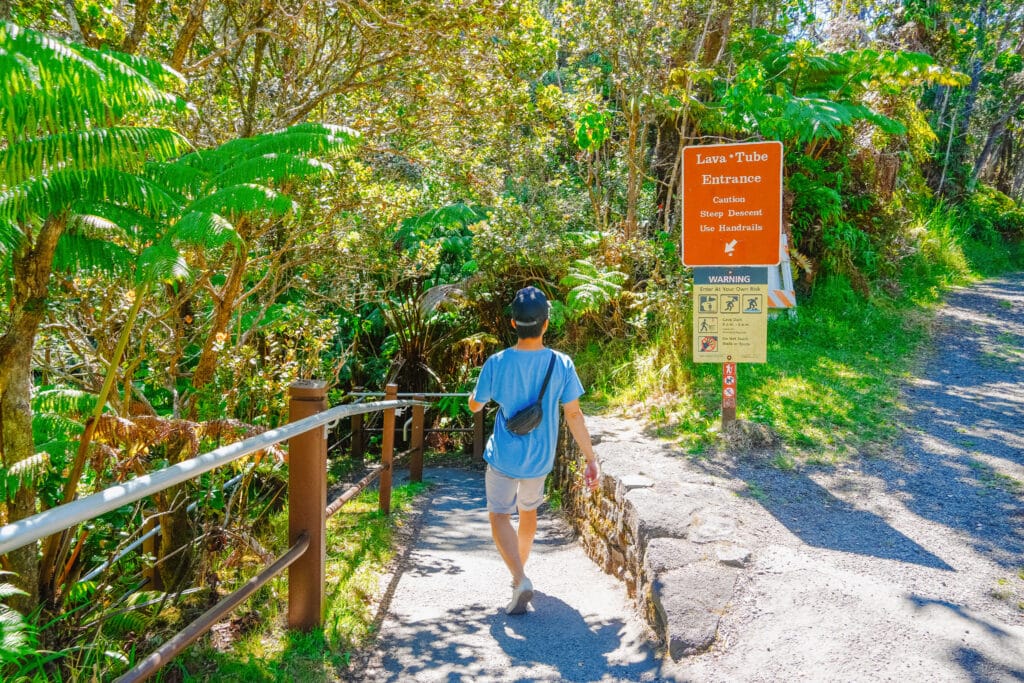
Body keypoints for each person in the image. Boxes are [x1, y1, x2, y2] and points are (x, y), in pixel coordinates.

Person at [468, 286, 599, 615]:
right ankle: (519, 577)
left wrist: (481, 393)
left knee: (499, 514)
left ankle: (519, 576)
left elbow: (475, 406)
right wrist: (590, 458)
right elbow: (573, 415)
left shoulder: (496, 362)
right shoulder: (562, 363)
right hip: (540, 460)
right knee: (528, 513)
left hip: (503, 457)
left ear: (513, 324)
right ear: (545, 324)